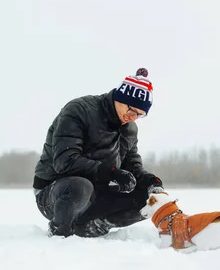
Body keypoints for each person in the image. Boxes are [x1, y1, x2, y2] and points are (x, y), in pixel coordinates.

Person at [33, 68, 164, 238]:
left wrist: (150, 182)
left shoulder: (129, 129)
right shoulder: (79, 110)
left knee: (146, 198)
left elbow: (132, 166)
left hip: (97, 190)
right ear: (120, 98)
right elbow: (65, 161)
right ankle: (60, 231)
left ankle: (91, 226)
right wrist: (110, 173)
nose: (133, 117)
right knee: (81, 187)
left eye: (140, 115)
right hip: (56, 191)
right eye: (132, 110)